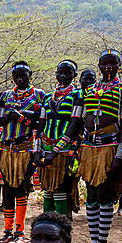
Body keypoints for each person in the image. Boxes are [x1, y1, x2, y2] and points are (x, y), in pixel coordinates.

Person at [70, 49, 122, 243]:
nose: (108, 67)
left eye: (112, 63)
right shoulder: (89, 89)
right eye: (104, 64)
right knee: (90, 195)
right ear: (98, 66)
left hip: (110, 146)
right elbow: (78, 120)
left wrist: (121, 151)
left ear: (118, 65)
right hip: (89, 147)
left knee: (105, 194)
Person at [0, 62, 44, 243]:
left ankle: (20, 232)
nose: (20, 79)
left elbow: (40, 123)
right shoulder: (5, 95)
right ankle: (7, 231)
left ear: (30, 74)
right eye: (16, 76)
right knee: (7, 190)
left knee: (21, 187)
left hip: (25, 147)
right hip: (6, 149)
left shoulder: (39, 95)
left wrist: (20, 117)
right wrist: (8, 117)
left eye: (23, 75)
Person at [37, 60, 80, 218]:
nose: (63, 75)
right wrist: (37, 150)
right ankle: (47, 225)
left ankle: (61, 227)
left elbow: (74, 125)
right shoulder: (48, 97)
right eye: (60, 72)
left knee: (61, 188)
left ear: (74, 75)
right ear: (55, 74)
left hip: (64, 150)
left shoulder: (78, 95)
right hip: (45, 148)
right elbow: (41, 125)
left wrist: (55, 151)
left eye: (67, 72)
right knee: (47, 189)